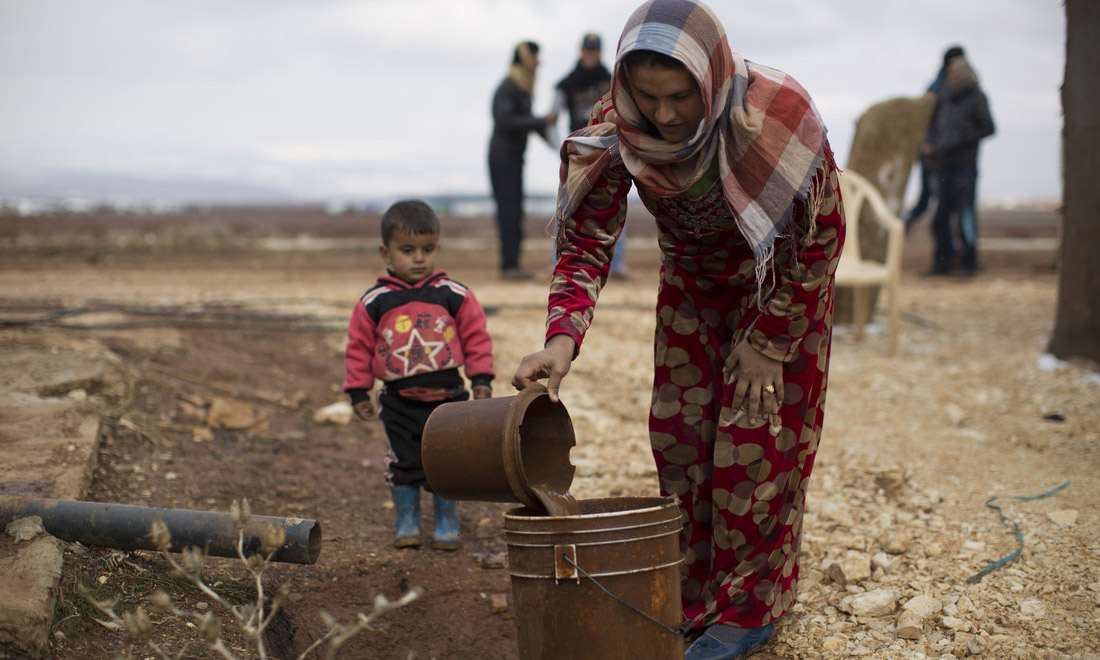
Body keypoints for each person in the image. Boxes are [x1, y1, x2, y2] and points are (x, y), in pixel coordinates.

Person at [511, 1, 845, 658]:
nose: (663, 116)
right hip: (692, 291)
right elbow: (584, 240)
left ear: (713, 77)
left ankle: (750, 609)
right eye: (648, 96)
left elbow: (822, 234)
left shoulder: (776, 117)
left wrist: (768, 342)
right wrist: (560, 342)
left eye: (679, 96)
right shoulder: (617, 129)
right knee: (682, 443)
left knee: (755, 446)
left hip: (778, 294)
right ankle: (696, 596)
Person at [343, 200, 495, 551]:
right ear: (386, 252)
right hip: (398, 401)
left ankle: (446, 523)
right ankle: (407, 522)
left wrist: (482, 379)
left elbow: (476, 337)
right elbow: (358, 349)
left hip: (449, 401)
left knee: (447, 462)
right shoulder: (374, 301)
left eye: (427, 250)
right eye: (407, 250)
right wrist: (358, 392)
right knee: (404, 462)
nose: (418, 258)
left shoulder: (454, 295)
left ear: (437, 249)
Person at [552, 32, 630, 278]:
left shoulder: (611, 80)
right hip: (579, 149)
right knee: (566, 203)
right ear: (582, 50)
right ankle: (558, 259)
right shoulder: (567, 83)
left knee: (615, 201)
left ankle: (616, 265)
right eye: (588, 49)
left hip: (608, 148)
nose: (591, 54)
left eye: (595, 50)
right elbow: (551, 117)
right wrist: (560, 147)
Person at [489, 41, 558, 280]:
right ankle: (509, 267)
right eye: (537, 57)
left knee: (515, 212)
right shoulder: (509, 87)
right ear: (527, 58)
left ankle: (512, 264)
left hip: (514, 159)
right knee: (509, 212)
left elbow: (526, 119)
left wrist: (554, 141)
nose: (539, 63)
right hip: (502, 159)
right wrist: (542, 122)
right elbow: (505, 120)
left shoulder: (520, 88)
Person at [923, 50, 995, 277]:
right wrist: (931, 144)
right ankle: (942, 262)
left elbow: (988, 127)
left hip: (964, 166)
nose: (948, 75)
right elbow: (935, 126)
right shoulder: (944, 97)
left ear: (962, 72)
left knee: (965, 216)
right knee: (940, 217)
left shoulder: (976, 97)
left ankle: (968, 264)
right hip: (942, 165)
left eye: (952, 72)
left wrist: (959, 138)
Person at [903, 46, 964, 231]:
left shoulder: (937, 87)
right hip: (934, 156)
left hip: (935, 154)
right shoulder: (942, 90)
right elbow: (930, 124)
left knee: (929, 202)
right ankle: (900, 229)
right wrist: (931, 145)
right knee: (937, 203)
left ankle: (901, 229)